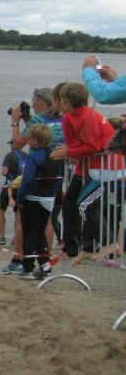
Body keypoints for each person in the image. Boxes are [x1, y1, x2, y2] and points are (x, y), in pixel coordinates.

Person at [50, 82, 115, 259]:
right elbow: (75, 144)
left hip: (103, 168)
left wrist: (69, 152)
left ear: (67, 102)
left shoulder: (86, 117)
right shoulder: (70, 117)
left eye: (61, 101)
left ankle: (97, 244)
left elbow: (93, 146)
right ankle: (74, 247)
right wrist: (70, 151)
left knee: (84, 205)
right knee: (70, 203)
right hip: (88, 166)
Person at [17, 125, 64, 280]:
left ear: (35, 140)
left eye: (29, 138)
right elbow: (59, 178)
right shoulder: (54, 156)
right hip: (48, 199)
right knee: (40, 233)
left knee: (29, 233)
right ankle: (45, 267)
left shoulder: (33, 157)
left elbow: (27, 180)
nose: (27, 140)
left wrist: (19, 198)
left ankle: (27, 268)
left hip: (33, 199)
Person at [0, 141, 26, 245]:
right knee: (18, 213)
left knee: (0, 209)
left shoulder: (9, 156)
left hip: (9, 186)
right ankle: (16, 237)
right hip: (21, 187)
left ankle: (1, 236)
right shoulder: (26, 155)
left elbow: (4, 172)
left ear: (13, 145)